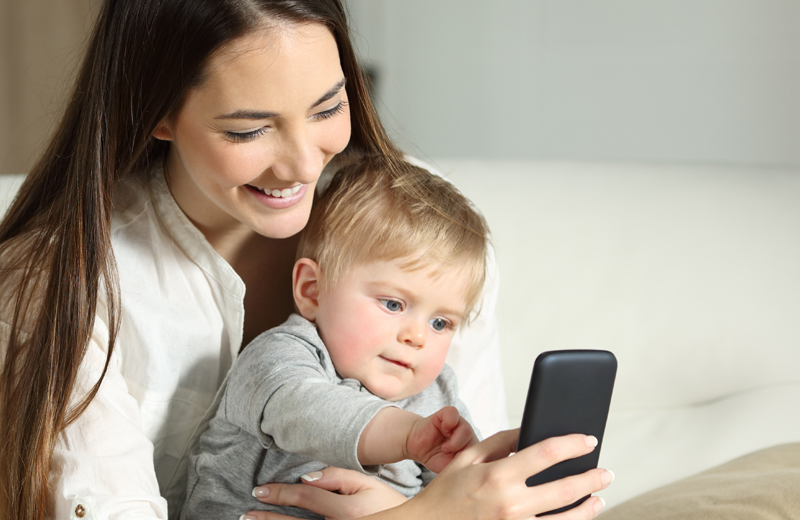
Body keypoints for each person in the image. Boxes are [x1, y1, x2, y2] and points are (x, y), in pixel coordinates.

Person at [0, 1, 613, 520]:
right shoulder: (58, 280)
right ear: (156, 110)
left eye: (327, 109)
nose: (300, 166)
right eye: (248, 131)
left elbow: (468, 467)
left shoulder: (421, 233)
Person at [183, 158, 486, 520]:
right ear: (312, 290)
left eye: (441, 323)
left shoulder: (438, 400)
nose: (417, 336)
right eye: (393, 303)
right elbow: (305, 411)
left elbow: (465, 500)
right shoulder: (279, 355)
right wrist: (408, 436)